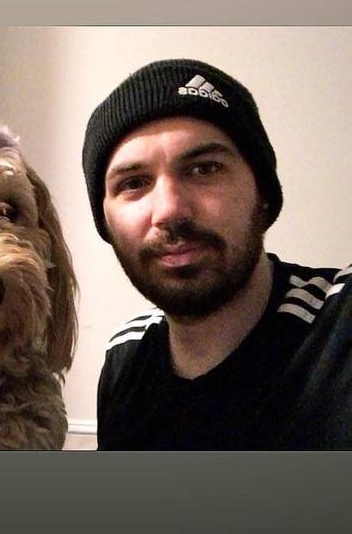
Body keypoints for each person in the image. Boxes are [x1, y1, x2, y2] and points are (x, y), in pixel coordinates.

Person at [82, 58, 352, 450]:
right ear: (106, 222)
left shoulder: (339, 324)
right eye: (134, 183)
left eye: (204, 169)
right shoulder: (126, 356)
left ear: (263, 192)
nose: (169, 210)